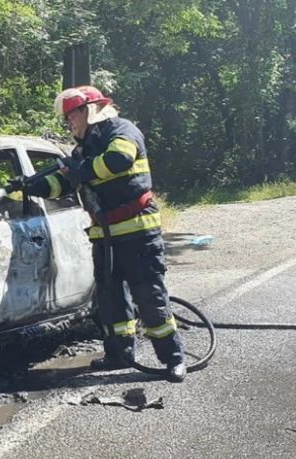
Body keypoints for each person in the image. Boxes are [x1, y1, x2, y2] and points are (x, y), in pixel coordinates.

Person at [13, 85, 186, 382]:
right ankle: (119, 354)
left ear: (90, 111)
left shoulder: (122, 131)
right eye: (67, 118)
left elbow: (119, 160)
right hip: (105, 237)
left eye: (72, 115)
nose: (69, 122)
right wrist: (33, 186)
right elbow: (62, 184)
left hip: (138, 232)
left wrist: (80, 169)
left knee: (150, 297)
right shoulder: (81, 151)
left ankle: (173, 358)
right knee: (111, 300)